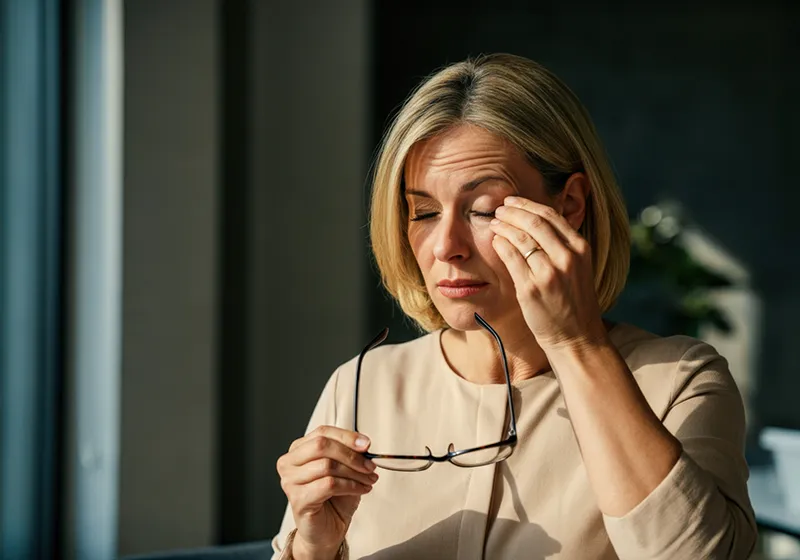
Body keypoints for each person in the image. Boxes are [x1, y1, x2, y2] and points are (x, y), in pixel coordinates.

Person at [272, 53, 756, 559]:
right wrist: (313, 546)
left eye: (482, 210)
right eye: (425, 212)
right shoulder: (362, 386)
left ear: (568, 206)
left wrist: (577, 344)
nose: (445, 246)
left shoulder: (678, 381)